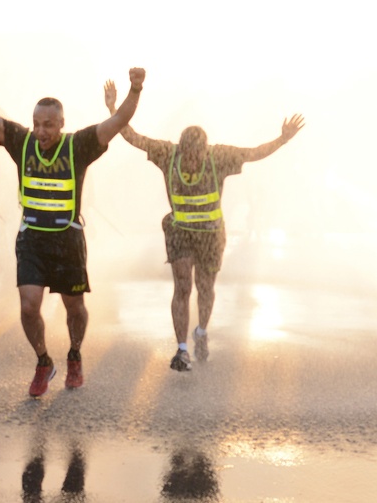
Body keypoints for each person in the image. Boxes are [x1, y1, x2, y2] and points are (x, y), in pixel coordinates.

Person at [0, 61, 145, 397]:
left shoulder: (79, 145)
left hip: (68, 239)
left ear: (61, 124)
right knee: (28, 307)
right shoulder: (21, 142)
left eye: (48, 125)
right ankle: (43, 361)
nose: (41, 131)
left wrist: (135, 90)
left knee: (74, 307)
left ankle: (74, 355)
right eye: (36, 124)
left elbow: (117, 122)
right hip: (31, 238)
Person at [104, 81, 304, 371]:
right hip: (180, 233)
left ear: (205, 150)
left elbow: (254, 153)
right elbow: (133, 137)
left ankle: (201, 332)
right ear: (181, 149)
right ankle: (181, 350)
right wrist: (112, 108)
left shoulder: (218, 156)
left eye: (197, 155)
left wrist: (282, 139)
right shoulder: (167, 153)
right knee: (183, 286)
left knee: (205, 287)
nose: (192, 161)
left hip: (211, 234)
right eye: (188, 155)